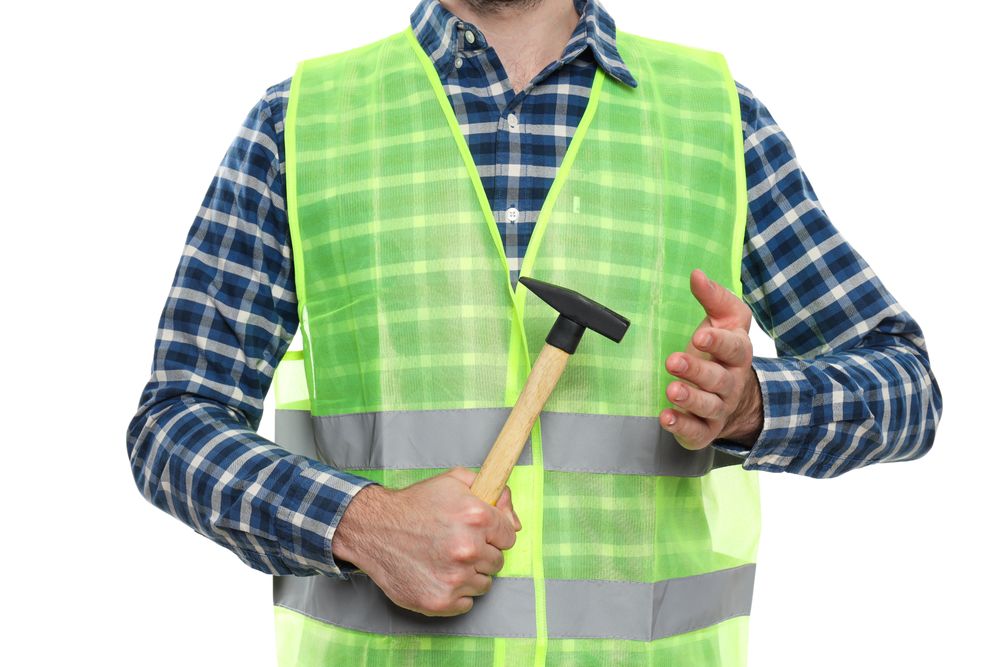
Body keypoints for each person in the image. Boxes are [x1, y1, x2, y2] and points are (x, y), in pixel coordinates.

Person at [126, 0, 942, 664]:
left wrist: (755, 403)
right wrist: (360, 521)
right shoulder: (302, 122)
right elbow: (173, 425)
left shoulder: (717, 118)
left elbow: (906, 385)